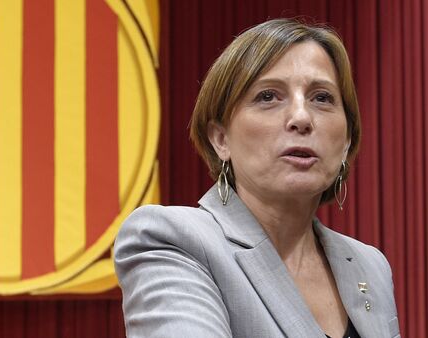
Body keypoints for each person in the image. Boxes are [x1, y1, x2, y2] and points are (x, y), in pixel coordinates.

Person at [114, 19, 400, 338]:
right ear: (220, 139)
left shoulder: (370, 265)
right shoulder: (173, 239)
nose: (302, 118)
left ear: (346, 141)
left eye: (322, 98)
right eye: (268, 96)